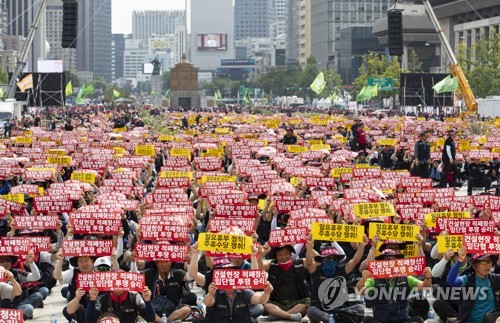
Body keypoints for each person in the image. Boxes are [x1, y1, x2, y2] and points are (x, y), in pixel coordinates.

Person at [357, 249, 433, 323]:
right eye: (388, 259)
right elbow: (359, 291)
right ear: (381, 262)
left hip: (402, 320)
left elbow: (425, 287)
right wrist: (363, 280)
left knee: (418, 320)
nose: (391, 262)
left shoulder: (406, 278)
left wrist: (427, 278)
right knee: (367, 320)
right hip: (380, 320)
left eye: (394, 259)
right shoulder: (373, 279)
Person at [305, 234, 367, 323]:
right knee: (311, 311)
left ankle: (335, 319)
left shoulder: (341, 271)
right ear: (322, 260)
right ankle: (333, 320)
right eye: (328, 258)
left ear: (337, 261)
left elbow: (355, 261)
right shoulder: (316, 271)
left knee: (360, 309)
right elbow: (309, 261)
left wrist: (362, 245)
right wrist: (310, 245)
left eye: (333, 258)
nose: (331, 260)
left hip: (339, 311)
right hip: (320, 310)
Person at [201, 261, 274, 323]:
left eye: (232, 273)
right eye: (225, 274)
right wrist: (210, 294)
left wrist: (266, 293)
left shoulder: (244, 292)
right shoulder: (215, 292)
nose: (229, 276)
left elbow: (261, 300)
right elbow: (207, 303)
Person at [446, 247, 500, 323]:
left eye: (489, 262)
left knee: (488, 318)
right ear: (474, 266)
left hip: (491, 319)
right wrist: (460, 260)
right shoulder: (467, 279)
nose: (488, 265)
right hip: (471, 321)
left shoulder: (495, 279)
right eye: (484, 262)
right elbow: (451, 281)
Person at [259, 244, 311, 322]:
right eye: (280, 255)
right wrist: (261, 255)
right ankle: (289, 316)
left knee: (308, 303)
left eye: (286, 254)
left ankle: (280, 315)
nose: (283, 257)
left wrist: (310, 247)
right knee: (266, 304)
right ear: (276, 257)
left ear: (291, 254)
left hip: (297, 303)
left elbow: (311, 262)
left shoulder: (300, 262)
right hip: (277, 303)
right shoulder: (271, 264)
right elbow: (258, 270)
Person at [142, 258, 193, 323]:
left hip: (173, 309)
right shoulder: (149, 273)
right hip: (154, 309)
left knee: (187, 309)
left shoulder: (177, 273)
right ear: (156, 263)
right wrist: (133, 262)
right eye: (161, 262)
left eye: (167, 262)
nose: (164, 264)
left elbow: (190, 277)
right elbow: (136, 276)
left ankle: (163, 321)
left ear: (171, 262)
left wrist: (189, 264)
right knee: (143, 309)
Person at [85, 276, 156, 323]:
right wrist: (92, 300)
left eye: (121, 281)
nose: (118, 285)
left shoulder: (135, 296)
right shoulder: (101, 299)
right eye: (114, 281)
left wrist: (147, 301)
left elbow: (151, 318)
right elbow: (90, 321)